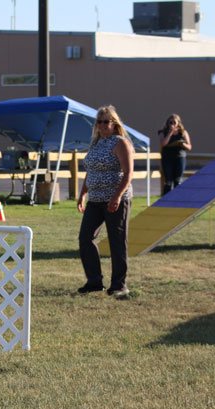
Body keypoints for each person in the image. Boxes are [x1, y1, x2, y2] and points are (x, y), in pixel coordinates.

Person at [76, 105, 134, 298]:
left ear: (114, 123)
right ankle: (94, 282)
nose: (101, 125)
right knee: (85, 238)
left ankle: (119, 285)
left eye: (106, 122)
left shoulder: (121, 143)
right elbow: (91, 171)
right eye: (99, 122)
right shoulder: (96, 143)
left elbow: (128, 174)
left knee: (117, 242)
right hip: (95, 200)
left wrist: (116, 196)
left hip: (116, 199)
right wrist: (83, 193)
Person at [157, 114, 192, 195]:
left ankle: (177, 198)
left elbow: (189, 146)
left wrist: (183, 144)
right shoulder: (163, 132)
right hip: (167, 158)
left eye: (174, 122)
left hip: (179, 157)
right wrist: (170, 133)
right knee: (168, 181)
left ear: (178, 123)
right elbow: (163, 143)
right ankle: (166, 199)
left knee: (178, 180)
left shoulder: (183, 133)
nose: (172, 124)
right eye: (170, 122)